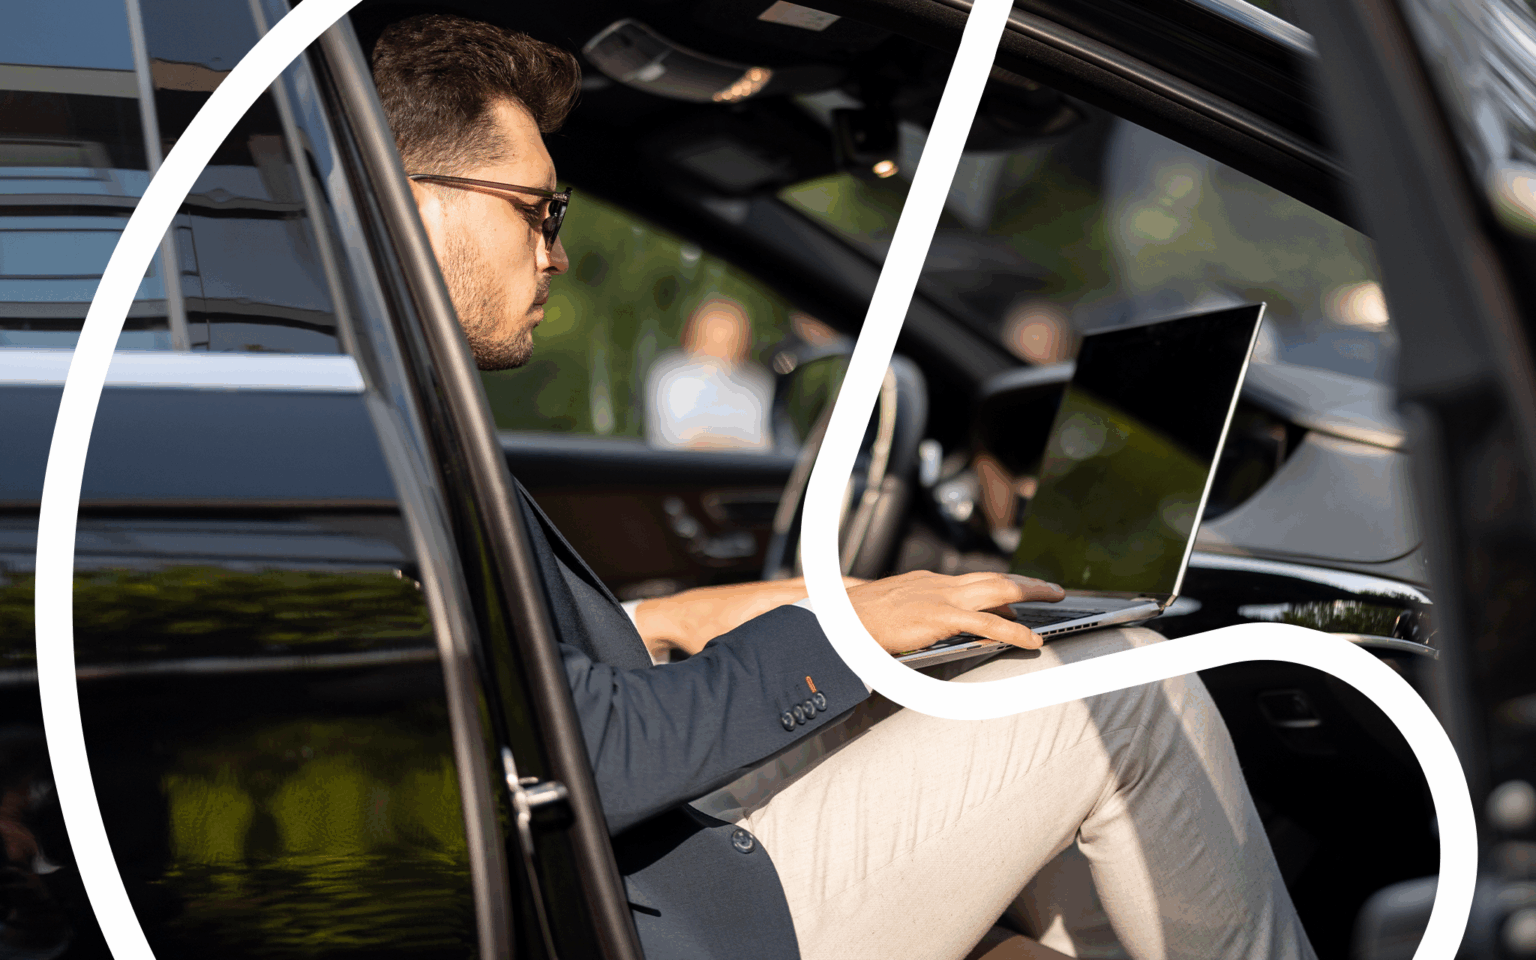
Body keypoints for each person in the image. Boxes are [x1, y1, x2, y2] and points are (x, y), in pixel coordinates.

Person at [372, 15, 1317, 960]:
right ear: (416, 204)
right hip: (650, 914)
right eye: (537, 210)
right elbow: (581, 753)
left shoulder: (377, 408)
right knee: (1121, 684)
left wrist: (684, 616)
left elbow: (509, 681)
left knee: (987, 719)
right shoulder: (372, 435)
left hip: (629, 864)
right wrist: (843, 633)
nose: (557, 252)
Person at [644, 297, 775, 452]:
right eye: (715, 334)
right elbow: (673, 438)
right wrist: (732, 443)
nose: (721, 345)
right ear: (695, 334)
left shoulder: (757, 384)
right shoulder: (670, 376)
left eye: (730, 338)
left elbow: (761, 444)